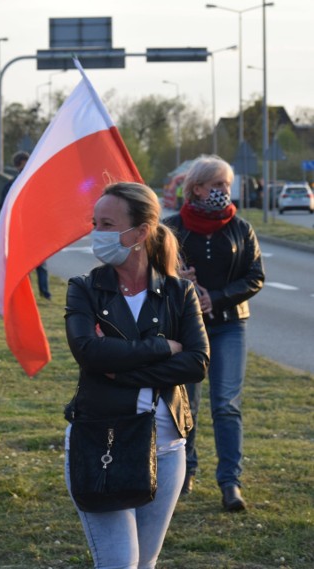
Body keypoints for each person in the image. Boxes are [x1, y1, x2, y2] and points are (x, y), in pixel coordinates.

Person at [63, 182, 209, 569]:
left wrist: (117, 367)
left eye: (107, 223)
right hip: (101, 442)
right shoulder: (85, 289)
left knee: (144, 563)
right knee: (119, 563)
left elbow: (197, 362)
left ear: (141, 232)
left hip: (167, 449)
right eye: (95, 222)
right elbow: (88, 353)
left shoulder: (179, 293)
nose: (97, 232)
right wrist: (163, 347)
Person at [164, 155, 265, 511]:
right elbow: (156, 275)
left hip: (230, 325)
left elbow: (255, 276)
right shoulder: (174, 227)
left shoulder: (241, 228)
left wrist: (216, 297)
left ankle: (230, 483)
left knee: (226, 404)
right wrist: (178, 280)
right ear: (197, 188)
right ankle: (185, 471)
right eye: (217, 185)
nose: (225, 191)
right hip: (187, 328)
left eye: (227, 184)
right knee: (185, 403)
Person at [0, 150, 51, 300]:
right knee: (23, 265)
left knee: (40, 263)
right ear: (17, 167)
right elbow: (3, 208)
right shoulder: (11, 186)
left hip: (36, 229)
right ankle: (26, 295)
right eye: (22, 168)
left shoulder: (37, 184)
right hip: (19, 230)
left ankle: (45, 293)